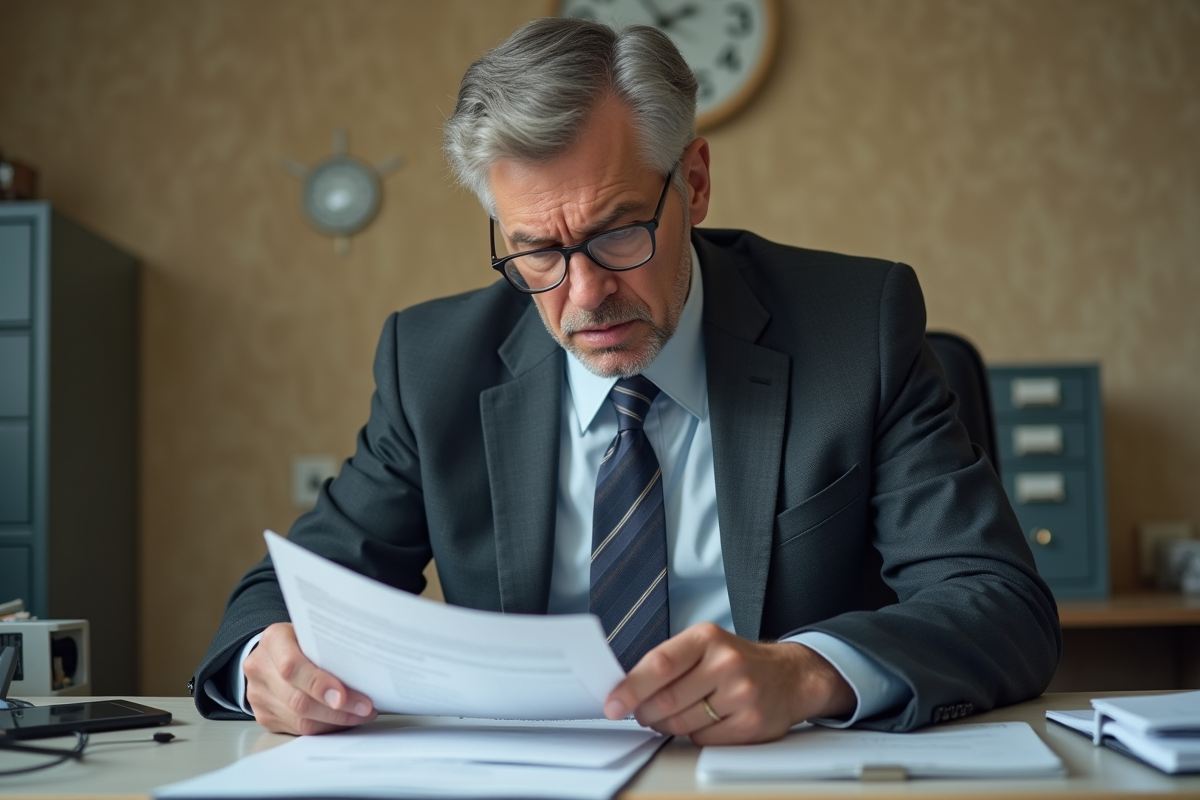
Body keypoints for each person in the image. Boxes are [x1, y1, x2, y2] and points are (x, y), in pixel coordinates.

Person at [192, 18, 1060, 744]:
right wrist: (265, 661)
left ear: (695, 183)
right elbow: (288, 591)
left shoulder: (854, 328)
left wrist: (805, 673)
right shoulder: (432, 364)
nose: (585, 293)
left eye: (616, 233)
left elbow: (999, 604)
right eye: (536, 250)